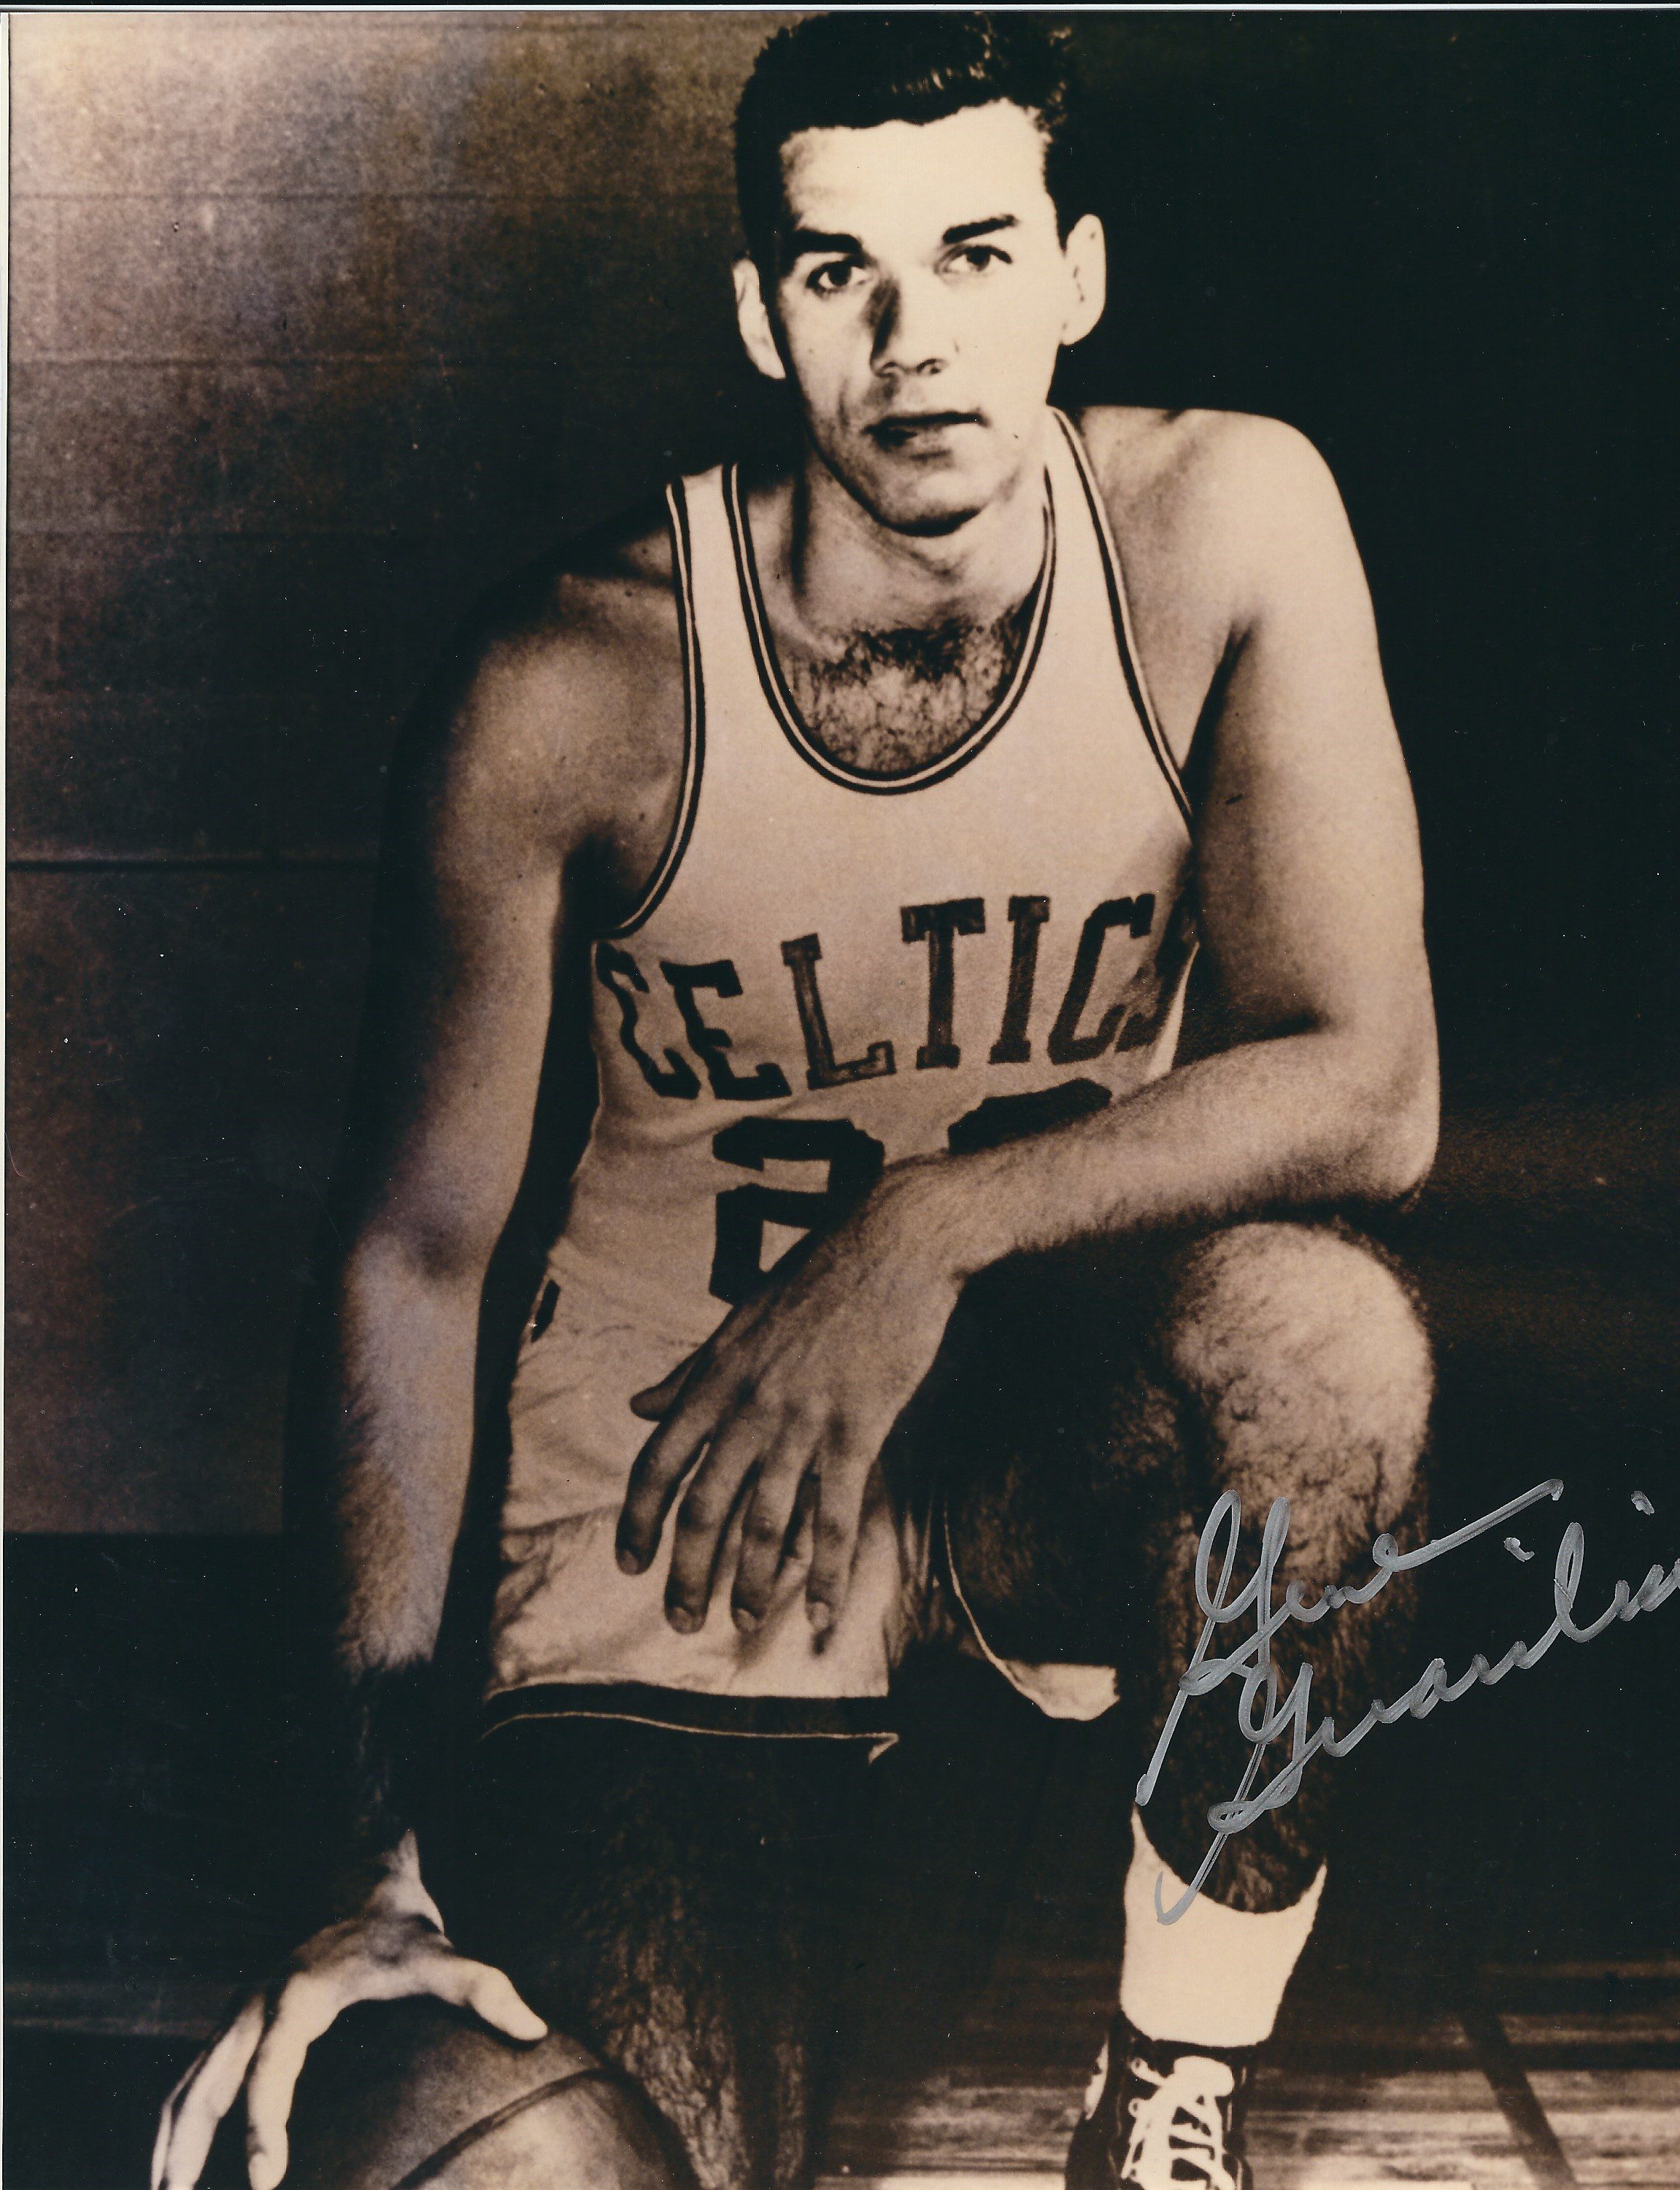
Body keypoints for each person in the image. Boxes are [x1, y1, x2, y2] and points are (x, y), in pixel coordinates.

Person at [154, 17, 1438, 2190]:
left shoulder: (1227, 520)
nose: (912, 338)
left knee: (1326, 1344)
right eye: (840, 272)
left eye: (971, 254)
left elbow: (1367, 1083)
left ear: (1077, 275)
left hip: (1029, 1415)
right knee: (585, 2155)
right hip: (693, 1500)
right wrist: (365, 1854)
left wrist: (919, 1227)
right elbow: (410, 1252)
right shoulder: (570, 680)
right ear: (760, 315)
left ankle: (1170, 2081)